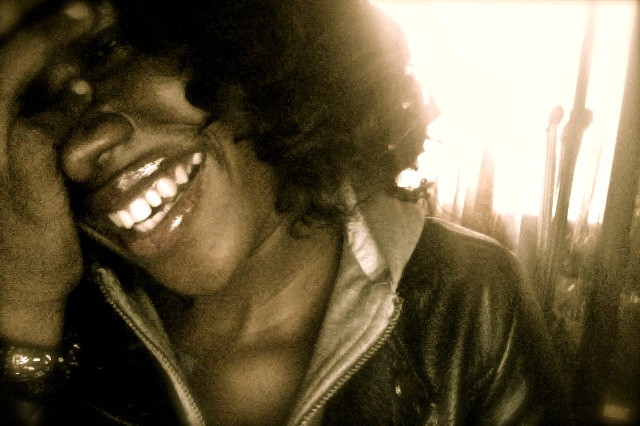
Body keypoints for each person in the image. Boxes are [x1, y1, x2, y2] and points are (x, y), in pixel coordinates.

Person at [0, 1, 571, 424]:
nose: (75, 154)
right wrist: (27, 319)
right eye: (31, 104)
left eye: (104, 53)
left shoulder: (467, 302)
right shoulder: (67, 326)